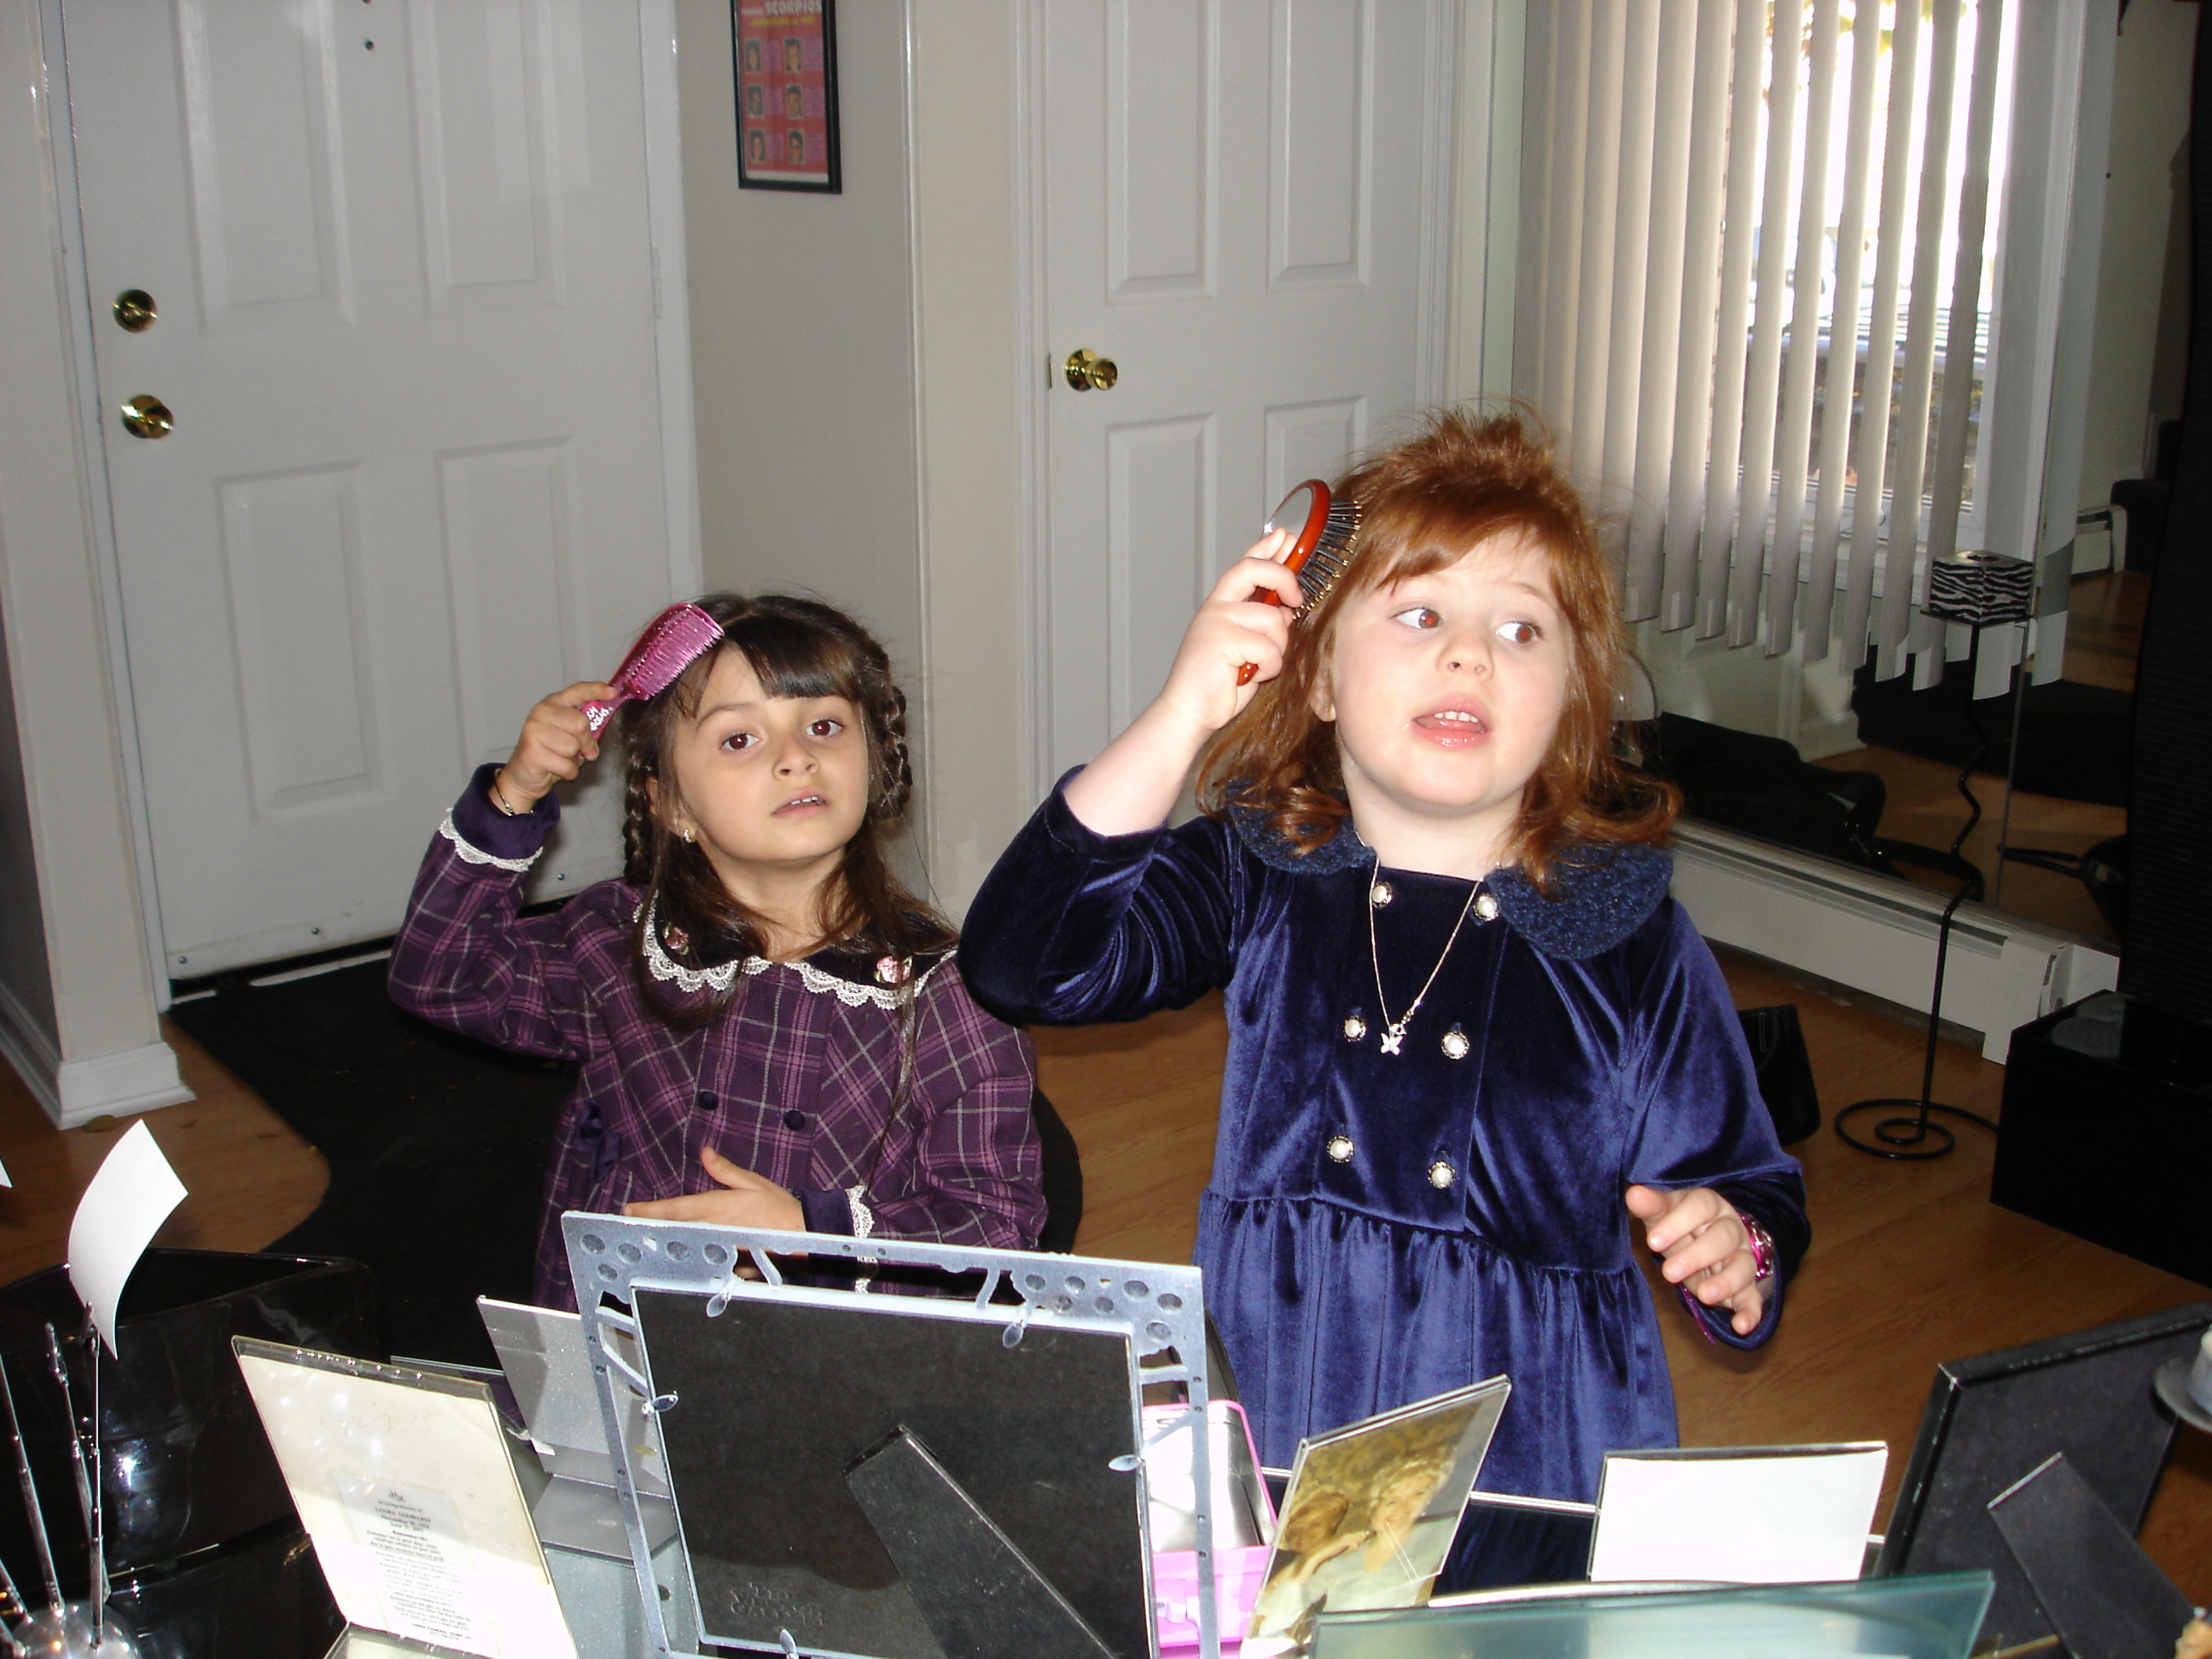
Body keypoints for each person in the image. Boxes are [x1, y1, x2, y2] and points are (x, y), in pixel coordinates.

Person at [961, 410, 1807, 1585]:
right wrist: (1184, 711)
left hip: (1534, 1440)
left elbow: (1743, 1171)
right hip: (1288, 1394)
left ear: (1568, 701)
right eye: (1420, 615)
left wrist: (1738, 1244)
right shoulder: (1263, 871)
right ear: (1312, 676)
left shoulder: (1628, 934)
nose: (1471, 657)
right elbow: (1022, 962)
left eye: (1522, 630)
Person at [392, 593, 1046, 1311]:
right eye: (741, 739)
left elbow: (998, 1230)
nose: (797, 757)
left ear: (876, 763)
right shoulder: (618, 945)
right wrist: (514, 794)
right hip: (628, 1331)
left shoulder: (951, 996)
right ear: (670, 805)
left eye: (823, 726)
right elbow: (441, 975)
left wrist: (814, 1229)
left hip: (836, 1361)